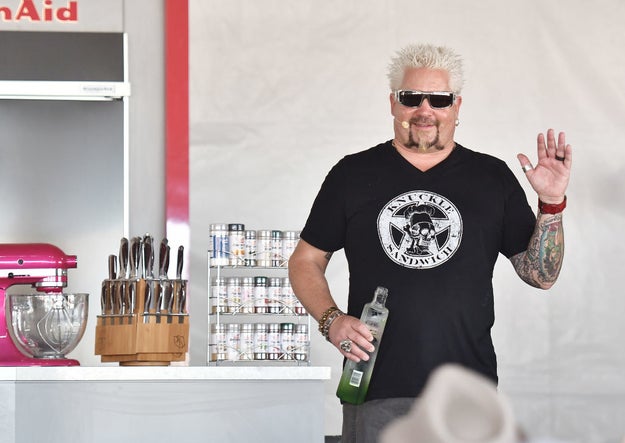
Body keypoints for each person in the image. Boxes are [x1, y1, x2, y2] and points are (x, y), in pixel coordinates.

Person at [288, 43, 572, 443]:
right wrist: (332, 321)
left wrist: (551, 205)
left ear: (456, 106)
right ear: (393, 104)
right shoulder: (352, 175)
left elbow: (540, 275)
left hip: (466, 395)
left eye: (438, 99)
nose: (425, 109)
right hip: (374, 388)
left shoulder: (492, 178)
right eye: (411, 98)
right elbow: (305, 260)